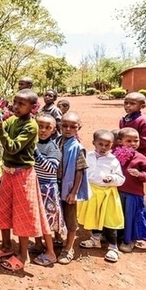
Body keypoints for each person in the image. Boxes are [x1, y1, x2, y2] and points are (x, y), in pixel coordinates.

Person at [0, 89, 56, 270]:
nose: (16, 106)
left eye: (21, 104)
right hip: (8, 173)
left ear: (32, 108)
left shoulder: (31, 126)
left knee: (22, 214)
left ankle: (23, 256)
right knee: (5, 209)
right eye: (15, 102)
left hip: (23, 175)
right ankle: (6, 245)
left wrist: (1, 128)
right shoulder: (13, 120)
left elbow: (13, 147)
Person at [77, 130, 125, 263]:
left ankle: (113, 247)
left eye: (107, 145)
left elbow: (121, 178)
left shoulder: (113, 161)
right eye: (100, 144)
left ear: (112, 145)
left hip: (107, 193)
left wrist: (112, 178)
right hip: (92, 192)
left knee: (109, 220)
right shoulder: (89, 156)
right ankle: (95, 239)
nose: (103, 148)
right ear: (94, 143)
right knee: (94, 216)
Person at [28, 114, 67, 264]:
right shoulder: (33, 143)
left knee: (46, 222)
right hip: (34, 186)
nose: (43, 130)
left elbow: (51, 168)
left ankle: (51, 253)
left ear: (53, 130)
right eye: (40, 126)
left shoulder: (53, 147)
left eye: (47, 128)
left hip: (47, 190)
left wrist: (35, 152)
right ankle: (38, 244)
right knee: (35, 218)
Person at [56, 112, 90, 264]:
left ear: (79, 128)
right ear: (59, 126)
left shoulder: (78, 148)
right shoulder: (56, 141)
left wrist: (74, 192)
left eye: (72, 127)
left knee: (70, 219)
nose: (68, 129)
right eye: (64, 126)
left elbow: (80, 171)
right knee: (55, 213)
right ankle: (56, 239)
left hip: (68, 189)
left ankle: (68, 248)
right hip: (55, 187)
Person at [113, 128, 146, 253]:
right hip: (116, 192)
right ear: (120, 141)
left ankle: (129, 240)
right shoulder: (114, 155)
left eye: (136, 141)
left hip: (133, 194)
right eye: (128, 141)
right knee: (116, 215)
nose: (133, 143)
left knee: (131, 218)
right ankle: (113, 236)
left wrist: (140, 174)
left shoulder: (141, 158)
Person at [119, 91, 146, 205]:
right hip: (126, 156)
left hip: (140, 157)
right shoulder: (124, 119)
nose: (128, 106)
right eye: (126, 103)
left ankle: (145, 208)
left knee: (142, 183)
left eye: (132, 103)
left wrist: (129, 143)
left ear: (142, 106)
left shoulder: (143, 120)